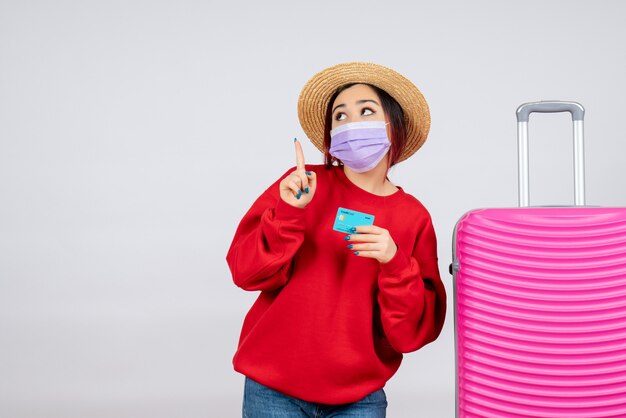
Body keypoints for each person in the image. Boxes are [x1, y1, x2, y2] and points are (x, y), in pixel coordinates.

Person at [226, 62, 447, 417]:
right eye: (340, 116)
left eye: (366, 111)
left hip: (359, 398)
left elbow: (411, 335)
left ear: (394, 125)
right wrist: (289, 215)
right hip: (272, 389)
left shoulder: (413, 217)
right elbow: (246, 274)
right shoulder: (300, 185)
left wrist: (395, 263)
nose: (352, 123)